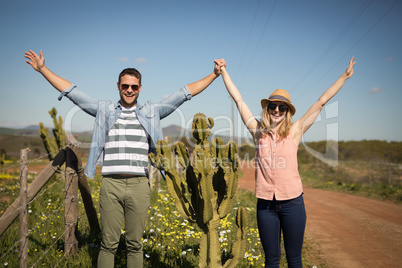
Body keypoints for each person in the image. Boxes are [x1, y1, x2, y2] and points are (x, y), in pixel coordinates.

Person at [25, 49, 224, 267]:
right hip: (110, 184)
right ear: (118, 86)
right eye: (125, 86)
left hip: (139, 184)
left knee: (134, 244)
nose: (129, 90)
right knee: (108, 243)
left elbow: (184, 93)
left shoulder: (151, 112)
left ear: (140, 88)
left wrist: (214, 75)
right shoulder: (104, 110)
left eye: (134, 86)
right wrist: (43, 69)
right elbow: (73, 92)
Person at [216, 57, 356, 267]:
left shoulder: (295, 131)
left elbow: (321, 102)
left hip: (293, 204)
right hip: (265, 206)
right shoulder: (257, 132)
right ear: (267, 108)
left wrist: (344, 77)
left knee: (294, 259)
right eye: (273, 106)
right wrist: (224, 72)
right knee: (271, 260)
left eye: (282, 108)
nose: (277, 111)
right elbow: (239, 100)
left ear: (288, 112)